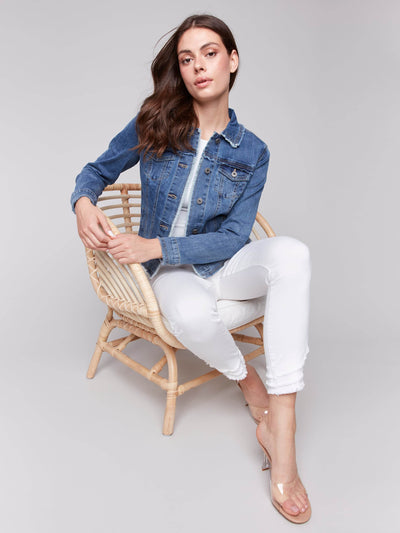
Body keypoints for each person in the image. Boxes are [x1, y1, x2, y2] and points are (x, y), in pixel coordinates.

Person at [70, 14, 312, 524]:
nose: (198, 66)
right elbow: (95, 171)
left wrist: (155, 243)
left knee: (293, 254)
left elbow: (234, 236)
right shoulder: (155, 122)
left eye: (210, 53)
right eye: (186, 59)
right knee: (188, 312)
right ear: (179, 71)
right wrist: (83, 202)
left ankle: (282, 427)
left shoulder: (253, 151)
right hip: (171, 274)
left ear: (232, 60)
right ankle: (249, 382)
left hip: (225, 264)